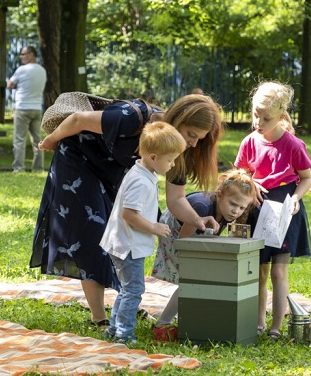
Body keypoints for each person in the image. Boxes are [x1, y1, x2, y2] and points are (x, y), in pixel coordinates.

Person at [33, 93, 224, 326]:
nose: (194, 143)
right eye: (192, 135)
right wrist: (51, 141)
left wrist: (198, 219)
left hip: (116, 170)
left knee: (127, 237)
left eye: (199, 139)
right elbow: (77, 120)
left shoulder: (176, 149)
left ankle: (126, 303)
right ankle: (99, 317)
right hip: (78, 159)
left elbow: (176, 200)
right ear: (178, 118)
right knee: (93, 232)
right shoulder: (131, 118)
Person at [235, 81, 311, 340]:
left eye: (265, 118)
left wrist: (296, 198)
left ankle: (276, 327)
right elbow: (241, 172)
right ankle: (258, 322)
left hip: (283, 209)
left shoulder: (293, 144)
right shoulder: (249, 141)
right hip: (257, 206)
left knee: (279, 271)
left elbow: (306, 178)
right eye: (255, 114)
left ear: (281, 116)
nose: (258, 121)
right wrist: (250, 182)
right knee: (259, 270)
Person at [99, 122, 187, 344]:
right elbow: (129, 214)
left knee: (128, 289)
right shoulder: (140, 181)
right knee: (134, 290)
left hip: (125, 242)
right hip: (127, 244)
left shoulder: (143, 172)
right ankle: (124, 334)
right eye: (170, 159)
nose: (173, 164)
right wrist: (154, 228)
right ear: (154, 157)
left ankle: (114, 329)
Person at [150, 168, 259, 330]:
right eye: (233, 204)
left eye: (242, 208)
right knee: (192, 281)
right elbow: (184, 241)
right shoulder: (202, 207)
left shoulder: (225, 211)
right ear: (220, 195)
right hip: (174, 233)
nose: (236, 211)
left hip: (194, 237)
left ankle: (199, 313)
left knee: (203, 278)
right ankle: (163, 322)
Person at [6, 45, 46, 172]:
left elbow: (10, 84)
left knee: (19, 140)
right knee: (37, 140)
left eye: (23, 54)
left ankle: (18, 168)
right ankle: (38, 168)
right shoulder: (42, 70)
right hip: (37, 109)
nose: (21, 57)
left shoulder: (22, 70)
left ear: (31, 55)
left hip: (22, 108)